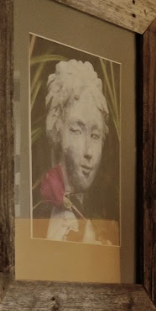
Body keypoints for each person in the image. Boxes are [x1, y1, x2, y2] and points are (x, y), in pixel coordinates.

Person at [33, 58, 114, 244]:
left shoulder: (103, 221)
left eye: (95, 135)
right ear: (56, 129)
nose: (88, 151)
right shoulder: (38, 215)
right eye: (77, 131)